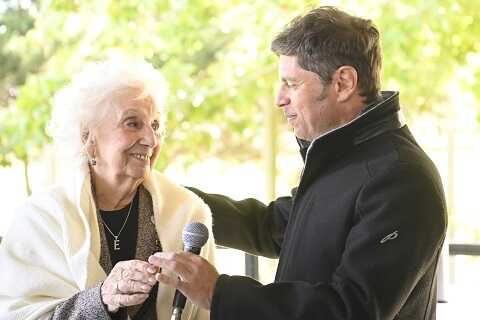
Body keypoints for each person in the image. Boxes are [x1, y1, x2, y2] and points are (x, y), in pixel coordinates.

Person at [148, 6, 447, 320]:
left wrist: (217, 292)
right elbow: (269, 227)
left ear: (343, 82)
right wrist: (167, 196)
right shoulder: (344, 159)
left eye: (291, 83)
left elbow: (351, 310)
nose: (279, 98)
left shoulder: (400, 178)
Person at [0, 57, 215, 320]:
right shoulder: (41, 219)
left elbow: (205, 312)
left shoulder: (187, 212)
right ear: (88, 138)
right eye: (133, 123)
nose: (151, 139)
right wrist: (102, 298)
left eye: (155, 125)